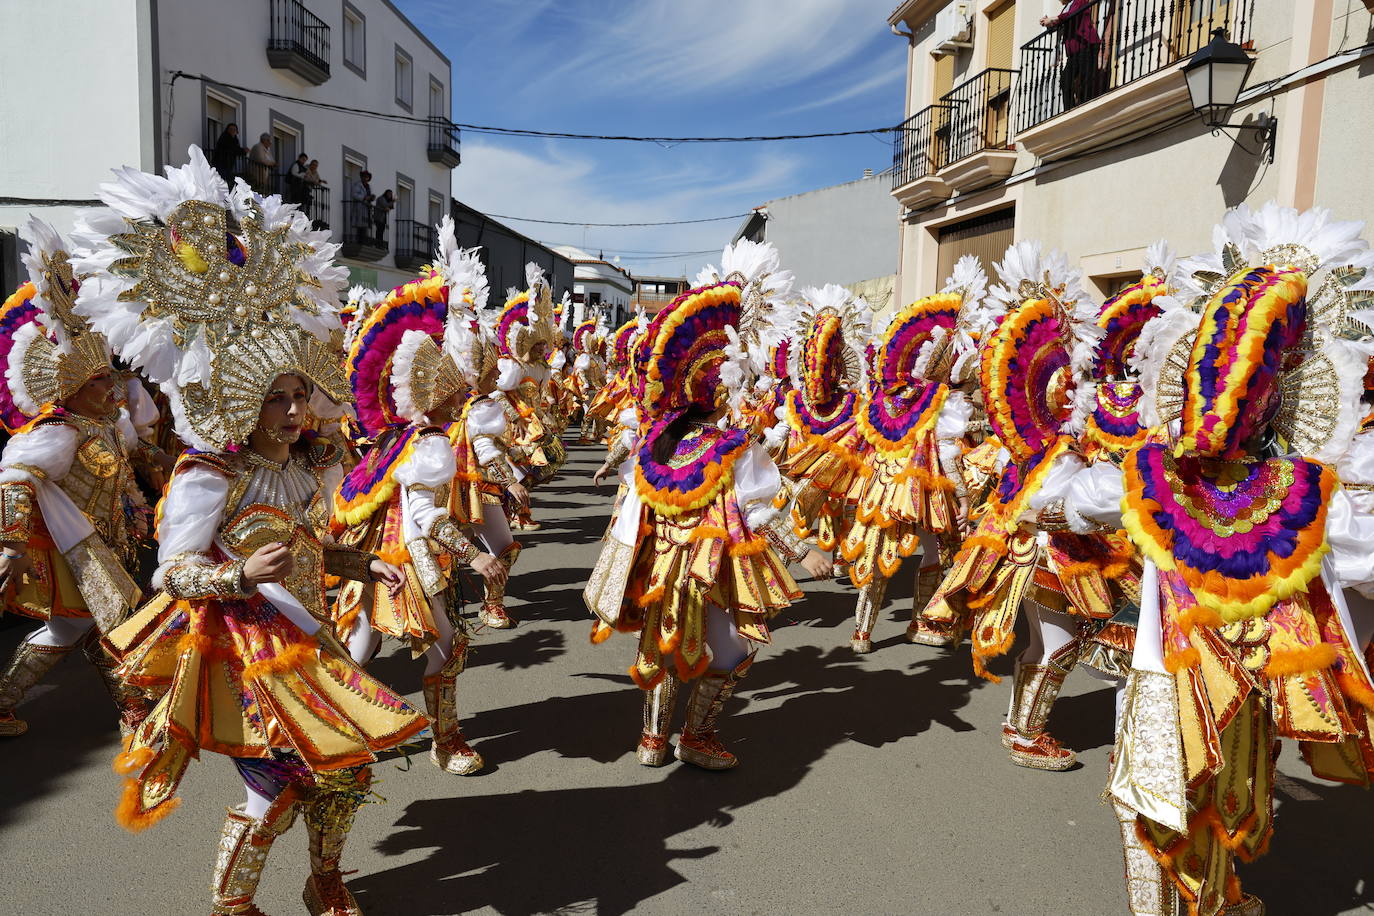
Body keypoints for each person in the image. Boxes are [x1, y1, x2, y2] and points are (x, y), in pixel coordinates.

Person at [80, 146, 427, 916]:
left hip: (313, 636)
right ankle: (232, 905)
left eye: (300, 393)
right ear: (243, 402)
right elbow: (170, 571)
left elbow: (304, 548)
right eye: (276, 398)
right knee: (272, 787)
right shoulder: (212, 476)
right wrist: (236, 577)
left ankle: (324, 879)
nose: (294, 411)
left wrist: (361, 567)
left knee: (345, 771)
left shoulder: (302, 471)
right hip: (250, 648)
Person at [1071, 202, 1374, 916]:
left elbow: (1073, 502)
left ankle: (1203, 902)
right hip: (1234, 685)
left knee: (1169, 799)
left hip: (1177, 682)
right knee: (1212, 798)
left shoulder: (1147, 478)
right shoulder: (1315, 495)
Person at [584, 239, 831, 770]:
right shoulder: (734, 447)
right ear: (723, 391)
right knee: (733, 652)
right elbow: (759, 509)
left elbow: (634, 499)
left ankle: (653, 741)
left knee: (663, 645)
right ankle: (695, 738)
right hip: (709, 568)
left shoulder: (660, 442)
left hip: (660, 565)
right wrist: (800, 550)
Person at [333, 224, 518, 774]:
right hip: (406, 555)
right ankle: (445, 739)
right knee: (443, 646)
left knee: (362, 642)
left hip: (376, 551)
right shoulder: (431, 443)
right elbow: (426, 514)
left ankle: (341, 730)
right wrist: (474, 554)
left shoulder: (404, 436)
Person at [0, 218, 149, 738]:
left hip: (102, 545)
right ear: (75, 389)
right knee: (85, 626)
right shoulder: (59, 431)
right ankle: (134, 709)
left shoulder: (106, 425)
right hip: (73, 549)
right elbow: (16, 475)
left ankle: (134, 708)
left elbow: (133, 463)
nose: (113, 387)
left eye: (111, 376)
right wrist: (12, 545)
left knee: (90, 628)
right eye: (102, 380)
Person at [1042, 0, 1108, 110]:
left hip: (1087, 45)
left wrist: (1053, 19)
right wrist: (1048, 23)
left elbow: (1071, 15)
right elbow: (1061, 22)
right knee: (1065, 80)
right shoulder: (1066, 8)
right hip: (1074, 52)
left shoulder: (1079, 1)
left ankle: (1086, 104)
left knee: (1086, 76)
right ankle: (1069, 109)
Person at [349, 170, 373, 243]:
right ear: (362, 177)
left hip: (366, 207)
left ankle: (364, 239)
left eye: (367, 177)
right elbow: (354, 194)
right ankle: (359, 240)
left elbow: (368, 196)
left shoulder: (368, 186)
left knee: (365, 224)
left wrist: (371, 198)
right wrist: (365, 198)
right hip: (359, 207)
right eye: (365, 177)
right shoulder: (357, 185)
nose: (366, 178)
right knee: (359, 224)